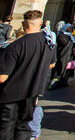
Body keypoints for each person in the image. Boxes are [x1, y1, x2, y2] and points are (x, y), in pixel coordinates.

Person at [0, 10, 56, 139]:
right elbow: (51, 64)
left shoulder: (15, 46)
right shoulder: (49, 44)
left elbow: (2, 77)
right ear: (41, 23)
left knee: (6, 129)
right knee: (23, 127)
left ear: (23, 24)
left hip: (10, 94)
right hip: (32, 92)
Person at [49, 22, 75, 89]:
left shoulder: (70, 36)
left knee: (67, 69)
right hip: (61, 55)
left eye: (71, 28)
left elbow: (74, 44)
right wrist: (72, 41)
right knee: (59, 68)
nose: (70, 29)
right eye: (69, 28)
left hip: (68, 56)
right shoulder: (61, 35)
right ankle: (54, 82)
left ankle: (63, 81)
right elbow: (64, 43)